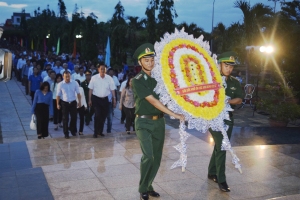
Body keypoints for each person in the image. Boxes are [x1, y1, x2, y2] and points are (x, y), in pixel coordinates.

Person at [132, 43, 184, 200]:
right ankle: (142, 188)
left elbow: (170, 96)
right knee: (148, 155)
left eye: (152, 60)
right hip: (143, 123)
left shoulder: (160, 79)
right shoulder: (137, 80)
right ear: (140, 63)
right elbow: (153, 101)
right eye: (146, 60)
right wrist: (173, 114)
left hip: (159, 123)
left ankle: (149, 185)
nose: (150, 63)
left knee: (157, 157)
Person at [207, 52, 243, 192]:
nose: (229, 68)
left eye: (231, 66)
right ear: (219, 64)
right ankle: (221, 179)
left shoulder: (234, 82)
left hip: (228, 118)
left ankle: (211, 171)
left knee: (219, 144)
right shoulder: (212, 80)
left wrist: (227, 101)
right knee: (222, 145)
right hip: (214, 118)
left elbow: (239, 99)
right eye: (226, 65)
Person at [88, 64, 116, 138]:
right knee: (97, 115)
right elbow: (90, 89)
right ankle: (95, 132)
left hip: (105, 99)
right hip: (96, 99)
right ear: (98, 70)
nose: (103, 70)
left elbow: (112, 89)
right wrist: (89, 99)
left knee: (103, 116)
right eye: (101, 69)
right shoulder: (94, 78)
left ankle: (100, 131)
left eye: (104, 69)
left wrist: (114, 99)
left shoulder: (109, 78)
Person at [56, 71, 81, 139]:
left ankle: (72, 130)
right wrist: (57, 104)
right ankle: (66, 133)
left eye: (68, 76)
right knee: (65, 118)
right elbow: (58, 95)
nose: (67, 78)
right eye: (66, 76)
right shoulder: (60, 84)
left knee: (74, 117)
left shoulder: (74, 83)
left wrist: (79, 102)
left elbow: (78, 93)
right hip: (64, 103)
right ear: (63, 76)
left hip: (73, 102)